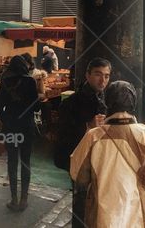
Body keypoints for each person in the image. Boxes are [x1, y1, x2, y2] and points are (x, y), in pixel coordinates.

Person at [70, 81, 145, 228]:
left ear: (107, 102)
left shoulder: (93, 136)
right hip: (136, 215)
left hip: (102, 217)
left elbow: (77, 174)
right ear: (133, 103)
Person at [56, 58, 111, 227]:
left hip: (103, 159)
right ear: (87, 75)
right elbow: (63, 133)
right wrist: (88, 126)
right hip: (81, 161)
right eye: (98, 74)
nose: (103, 80)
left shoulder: (107, 99)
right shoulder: (72, 102)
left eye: (107, 76)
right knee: (81, 202)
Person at [0, 56, 43, 212]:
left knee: (12, 161)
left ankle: (13, 199)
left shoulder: (5, 81)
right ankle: (24, 199)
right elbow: (36, 107)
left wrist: (7, 120)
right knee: (25, 162)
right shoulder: (30, 81)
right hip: (26, 127)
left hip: (11, 127)